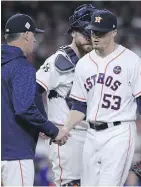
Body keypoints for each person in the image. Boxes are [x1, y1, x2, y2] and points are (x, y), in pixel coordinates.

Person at [61, 9, 141, 186]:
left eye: (101, 33)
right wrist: (65, 129)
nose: (95, 36)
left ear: (114, 33)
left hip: (119, 132)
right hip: (91, 134)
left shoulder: (132, 61)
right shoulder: (84, 64)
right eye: (93, 31)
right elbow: (79, 106)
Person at [1, 13, 68, 186]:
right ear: (26, 35)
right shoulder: (21, 66)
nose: (35, 40)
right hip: (15, 155)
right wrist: (52, 130)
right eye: (34, 35)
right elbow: (24, 108)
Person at [36, 4, 97, 186]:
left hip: (94, 135)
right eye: (85, 32)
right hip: (68, 137)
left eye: (94, 33)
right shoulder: (58, 60)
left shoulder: (96, 62)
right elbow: (33, 90)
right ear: (73, 32)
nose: (90, 38)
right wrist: (43, 123)